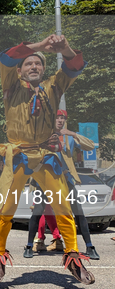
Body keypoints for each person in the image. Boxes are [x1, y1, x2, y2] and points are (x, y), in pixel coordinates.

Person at [0, 34, 94, 284]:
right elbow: (6, 57)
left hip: (47, 155)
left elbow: (74, 66)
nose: (34, 66)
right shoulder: (11, 85)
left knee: (63, 206)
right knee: (6, 207)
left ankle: (73, 257)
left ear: (44, 69)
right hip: (18, 154)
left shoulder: (53, 86)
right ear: (20, 71)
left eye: (38, 63)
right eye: (28, 63)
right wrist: (39, 47)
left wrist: (65, 48)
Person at [24, 110, 99, 260]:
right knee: (37, 212)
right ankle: (28, 246)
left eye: (62, 117)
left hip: (66, 180)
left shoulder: (68, 136)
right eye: (57, 117)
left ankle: (90, 246)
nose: (59, 120)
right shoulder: (44, 136)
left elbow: (91, 145)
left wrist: (72, 134)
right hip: (46, 180)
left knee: (78, 212)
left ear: (65, 119)